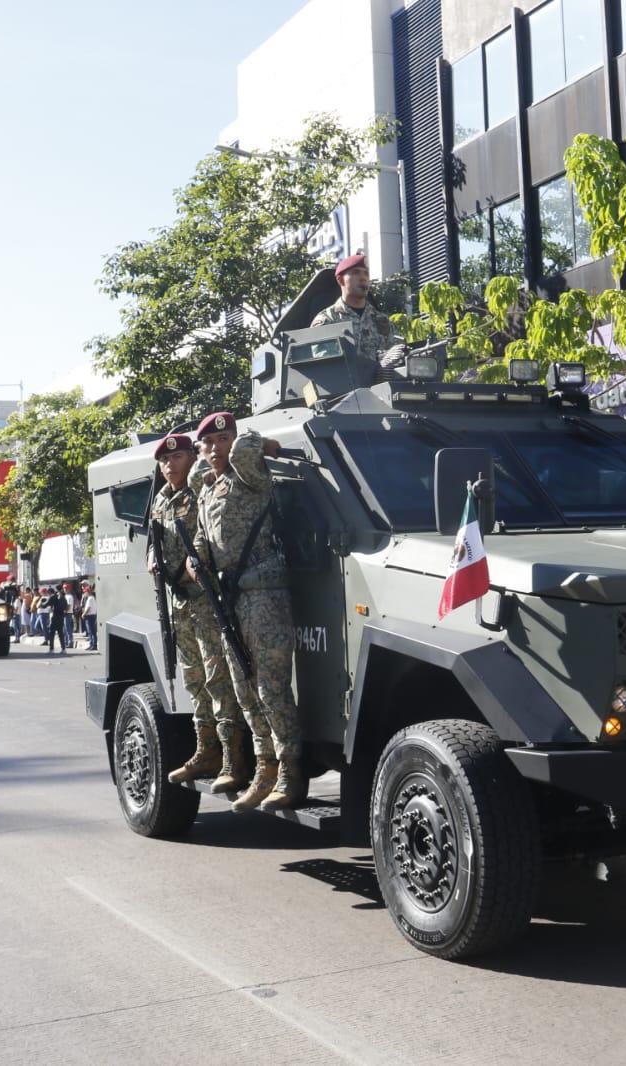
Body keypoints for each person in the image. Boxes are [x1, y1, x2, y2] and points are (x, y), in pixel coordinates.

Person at [190, 410, 303, 812]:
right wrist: (196, 558)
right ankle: (264, 769)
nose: (216, 448)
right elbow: (202, 536)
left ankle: (289, 773)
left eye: (224, 439)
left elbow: (244, 448)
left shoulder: (248, 475)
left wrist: (256, 441)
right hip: (231, 597)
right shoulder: (208, 490)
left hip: (264, 593)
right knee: (245, 690)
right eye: (208, 442)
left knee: (271, 688)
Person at [147, 434, 249, 788]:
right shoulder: (161, 498)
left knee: (217, 677)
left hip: (206, 598)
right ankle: (206, 751)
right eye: (164, 460)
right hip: (179, 600)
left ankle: (233, 758)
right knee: (194, 678)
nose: (169, 465)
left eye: (177, 457)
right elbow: (156, 538)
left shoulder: (200, 490)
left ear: (192, 458)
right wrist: (152, 555)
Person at [309, 253, 407, 384]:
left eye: (366, 274)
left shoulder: (382, 321)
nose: (363, 278)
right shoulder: (327, 320)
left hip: (382, 392)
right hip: (344, 392)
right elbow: (323, 366)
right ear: (341, 280)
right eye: (356, 273)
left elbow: (399, 358)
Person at [44, 585, 66, 653]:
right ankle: (63, 649)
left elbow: (45, 605)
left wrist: (41, 603)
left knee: (52, 633)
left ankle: (51, 649)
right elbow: (66, 607)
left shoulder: (53, 596)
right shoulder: (63, 597)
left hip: (54, 616)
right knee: (60, 633)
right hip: (61, 617)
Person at [80, 581, 98, 652]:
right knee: (90, 631)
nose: (85, 593)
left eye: (86, 592)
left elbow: (88, 608)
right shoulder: (90, 598)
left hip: (90, 616)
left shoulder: (90, 598)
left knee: (92, 631)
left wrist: (83, 614)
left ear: (88, 592)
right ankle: (91, 644)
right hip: (90, 616)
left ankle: (94, 645)